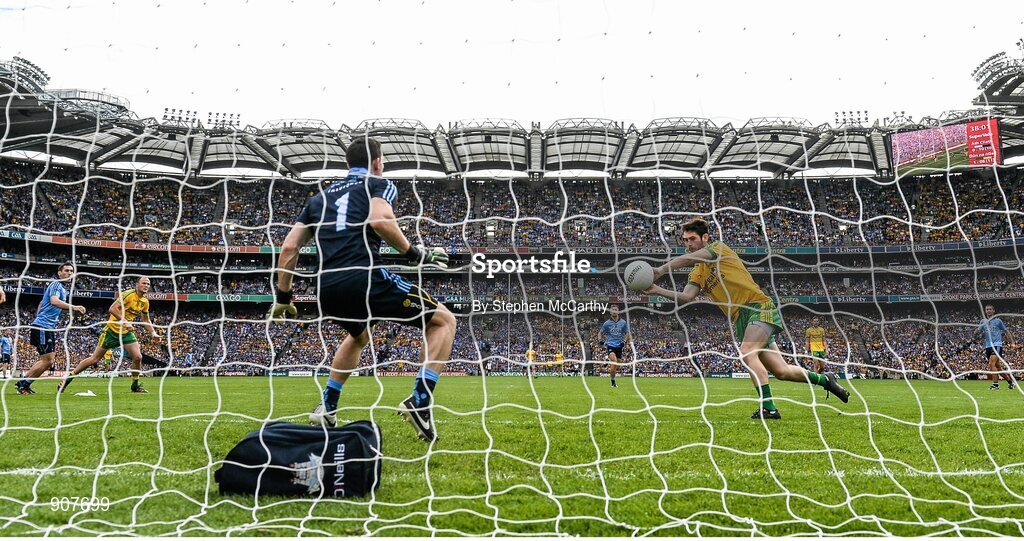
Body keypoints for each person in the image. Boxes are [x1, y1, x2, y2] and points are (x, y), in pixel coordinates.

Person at [270, 137, 456, 442]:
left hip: (327, 289)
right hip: (366, 277)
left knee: (359, 335)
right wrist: (415, 254)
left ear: (347, 164)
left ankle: (326, 406)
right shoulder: (378, 184)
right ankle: (420, 401)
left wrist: (283, 297)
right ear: (378, 162)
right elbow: (381, 220)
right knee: (444, 321)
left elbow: (290, 246)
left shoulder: (319, 199)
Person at [643, 218, 849, 420]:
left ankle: (768, 408)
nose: (687, 244)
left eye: (692, 239)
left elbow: (687, 259)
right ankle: (825, 379)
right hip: (741, 318)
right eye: (685, 240)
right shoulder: (698, 272)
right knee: (782, 371)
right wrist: (655, 289)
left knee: (746, 352)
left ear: (705, 238)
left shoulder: (718, 248)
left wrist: (660, 271)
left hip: (758, 306)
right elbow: (687, 296)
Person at [59, 277, 162, 394]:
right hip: (111, 332)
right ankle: (68, 378)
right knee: (94, 359)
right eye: (144, 283)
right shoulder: (128, 294)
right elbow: (112, 309)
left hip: (126, 333)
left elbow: (145, 319)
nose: (146, 285)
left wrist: (153, 332)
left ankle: (135, 385)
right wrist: (125, 321)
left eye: (148, 284)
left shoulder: (145, 302)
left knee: (138, 357)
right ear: (137, 284)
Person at [17, 263, 87, 395]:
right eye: (66, 270)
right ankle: (24, 385)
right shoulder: (56, 284)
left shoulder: (62, 288)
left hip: (45, 326)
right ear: (59, 273)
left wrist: (39, 319)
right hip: (43, 327)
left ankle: (23, 383)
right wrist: (74, 307)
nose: (69, 273)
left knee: (47, 360)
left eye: (71, 271)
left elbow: (42, 303)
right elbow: (54, 301)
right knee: (48, 361)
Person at [980, 304, 1016, 390]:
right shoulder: (982, 321)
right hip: (988, 346)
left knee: (991, 364)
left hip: (997, 345)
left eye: (990, 309)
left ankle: (995, 385)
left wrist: (1012, 342)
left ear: (993, 311)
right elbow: (978, 331)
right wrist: (976, 330)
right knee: (998, 367)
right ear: (985, 311)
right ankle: (1010, 382)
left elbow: (1006, 331)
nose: (988, 311)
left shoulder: (998, 321)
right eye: (987, 309)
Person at [598, 304, 630, 388]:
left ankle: (608, 361)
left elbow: (627, 333)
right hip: (610, 345)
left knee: (617, 365)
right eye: (613, 310)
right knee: (614, 361)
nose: (614, 311)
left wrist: (624, 341)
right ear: (610, 312)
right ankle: (613, 382)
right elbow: (600, 333)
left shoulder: (623, 322)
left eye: (616, 309)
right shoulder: (607, 323)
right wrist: (600, 340)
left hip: (619, 346)